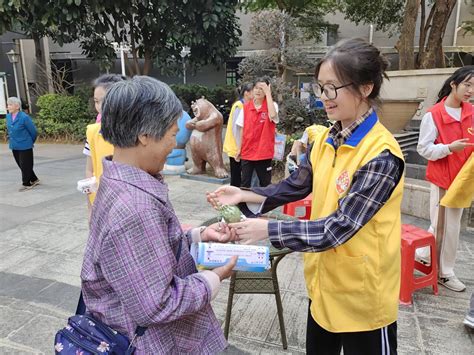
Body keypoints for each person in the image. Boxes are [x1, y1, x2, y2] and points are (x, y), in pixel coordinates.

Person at [208, 38, 404, 354]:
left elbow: (338, 228)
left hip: (364, 294)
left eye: (332, 88)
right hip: (325, 284)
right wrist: (244, 194)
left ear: (365, 88)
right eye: (320, 87)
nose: (323, 98)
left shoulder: (381, 156)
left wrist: (269, 230)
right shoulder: (327, 138)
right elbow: (296, 185)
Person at [81, 76, 237, 353]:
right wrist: (215, 277)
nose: (173, 145)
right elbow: (157, 305)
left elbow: (147, 253)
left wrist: (196, 237)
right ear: (143, 135)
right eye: (170, 134)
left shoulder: (117, 180)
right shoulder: (134, 208)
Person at [416, 66, 474, 292]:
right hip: (442, 180)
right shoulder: (434, 115)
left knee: (450, 226)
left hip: (463, 180)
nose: (470, 90)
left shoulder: (471, 112)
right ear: (454, 84)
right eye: (467, 85)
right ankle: (444, 273)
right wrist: (449, 148)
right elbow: (424, 149)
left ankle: (422, 255)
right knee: (444, 227)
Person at [83, 74, 126, 209]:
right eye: (96, 101)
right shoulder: (92, 133)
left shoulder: (136, 133)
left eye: (106, 100)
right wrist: (91, 207)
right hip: (101, 203)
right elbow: (90, 171)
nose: (100, 106)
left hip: (127, 204)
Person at [236, 77, 279, 188]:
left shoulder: (272, 106)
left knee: (265, 185)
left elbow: (273, 116)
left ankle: (266, 205)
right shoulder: (245, 107)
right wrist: (238, 148)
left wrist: (268, 93)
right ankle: (243, 205)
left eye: (262, 88)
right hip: (247, 152)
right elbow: (241, 129)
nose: (258, 91)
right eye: (256, 88)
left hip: (264, 152)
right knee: (245, 184)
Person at [5, 97, 40, 191]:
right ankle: (34, 179)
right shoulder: (8, 116)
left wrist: (29, 142)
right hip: (14, 145)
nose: (8, 106)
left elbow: (33, 132)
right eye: (8, 104)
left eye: (10, 104)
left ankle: (27, 183)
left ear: (17, 106)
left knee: (25, 164)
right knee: (21, 164)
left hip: (25, 145)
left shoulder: (24, 117)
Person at [223, 82, 253, 187]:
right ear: (247, 93)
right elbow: (236, 129)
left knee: (241, 176)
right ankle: (233, 200)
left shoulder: (246, 105)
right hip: (236, 147)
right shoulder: (239, 106)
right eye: (253, 91)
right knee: (236, 177)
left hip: (240, 147)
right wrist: (238, 148)